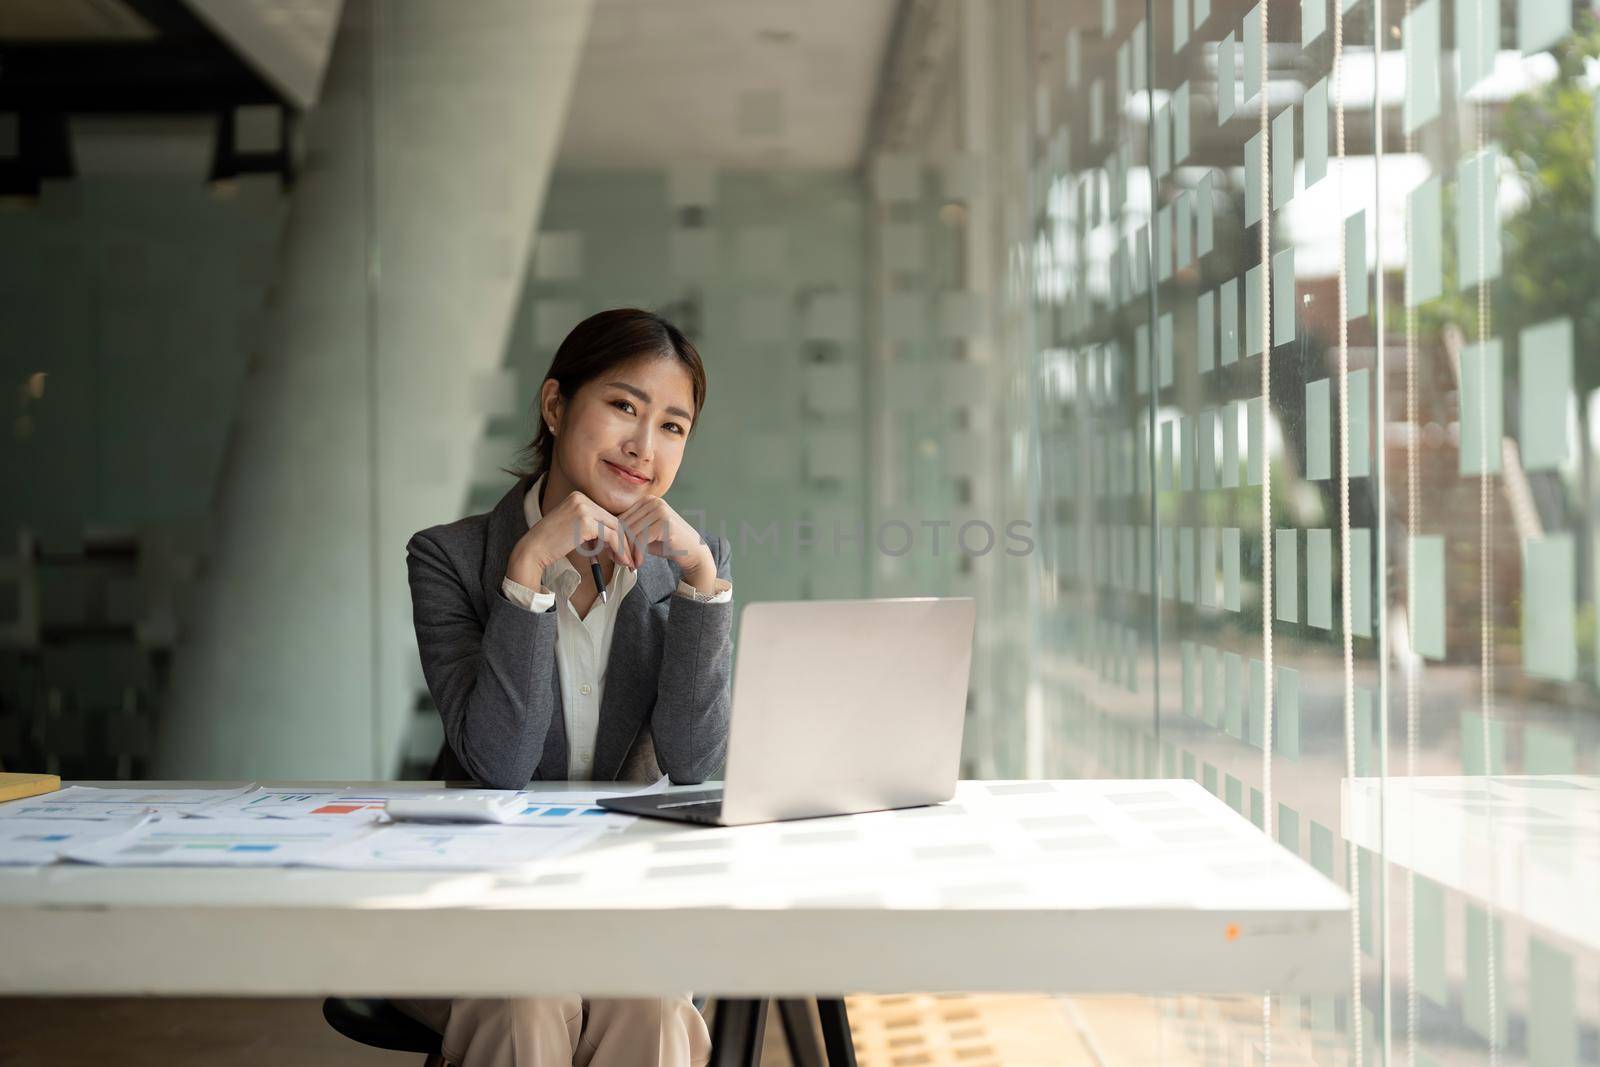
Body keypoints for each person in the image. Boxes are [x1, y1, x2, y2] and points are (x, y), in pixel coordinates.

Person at [398, 307, 731, 1067]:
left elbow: (692, 758)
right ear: (555, 407)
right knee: (532, 988)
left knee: (648, 998)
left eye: (673, 426)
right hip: (486, 897)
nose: (645, 448)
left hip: (628, 893)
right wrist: (526, 573)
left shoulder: (689, 560)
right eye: (624, 406)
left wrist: (702, 587)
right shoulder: (450, 559)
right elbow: (500, 762)